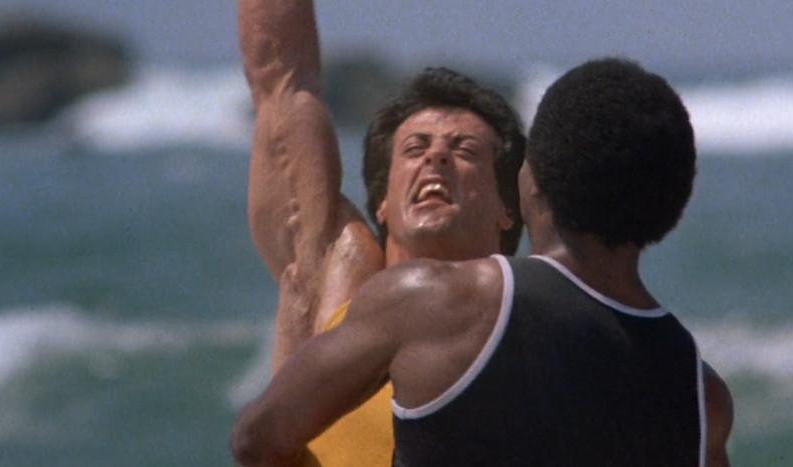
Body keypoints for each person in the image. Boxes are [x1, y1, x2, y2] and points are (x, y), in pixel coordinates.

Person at [230, 58, 734, 467]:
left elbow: (255, 440)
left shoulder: (442, 302)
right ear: (671, 206)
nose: (436, 159)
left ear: (529, 184)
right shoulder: (700, 395)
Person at [237, 0, 524, 465]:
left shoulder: (531, 326)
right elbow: (280, 80)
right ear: (384, 202)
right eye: (415, 148)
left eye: (464, 149)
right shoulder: (337, 280)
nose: (436, 157)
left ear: (508, 208)